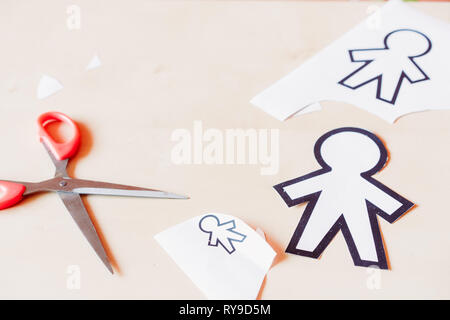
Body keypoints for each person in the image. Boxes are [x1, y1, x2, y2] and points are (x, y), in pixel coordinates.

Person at [274, 127, 414, 269]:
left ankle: (368, 258)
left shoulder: (344, 180)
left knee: (362, 237)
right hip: (330, 209)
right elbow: (393, 207)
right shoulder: (339, 179)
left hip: (353, 211)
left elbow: (290, 192)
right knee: (314, 235)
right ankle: (368, 258)